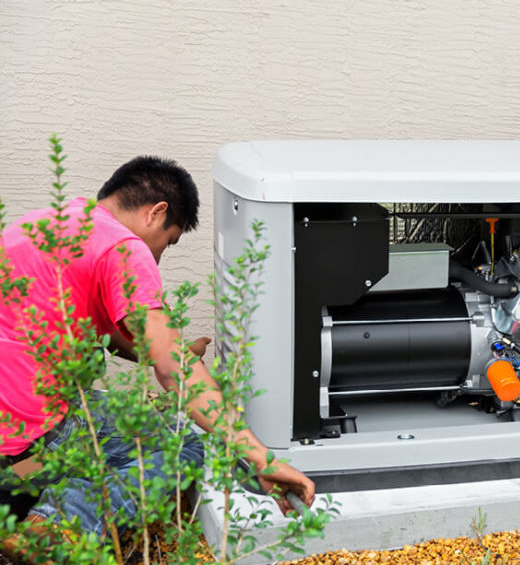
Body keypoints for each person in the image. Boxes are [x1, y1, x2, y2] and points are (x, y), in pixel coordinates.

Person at [0, 156, 316, 539]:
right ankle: (59, 525)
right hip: (24, 432)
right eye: (168, 242)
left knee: (115, 404)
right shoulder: (124, 248)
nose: (157, 256)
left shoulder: (57, 221)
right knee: (183, 443)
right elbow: (174, 372)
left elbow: (109, 333)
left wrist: (164, 348)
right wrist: (262, 459)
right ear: (157, 212)